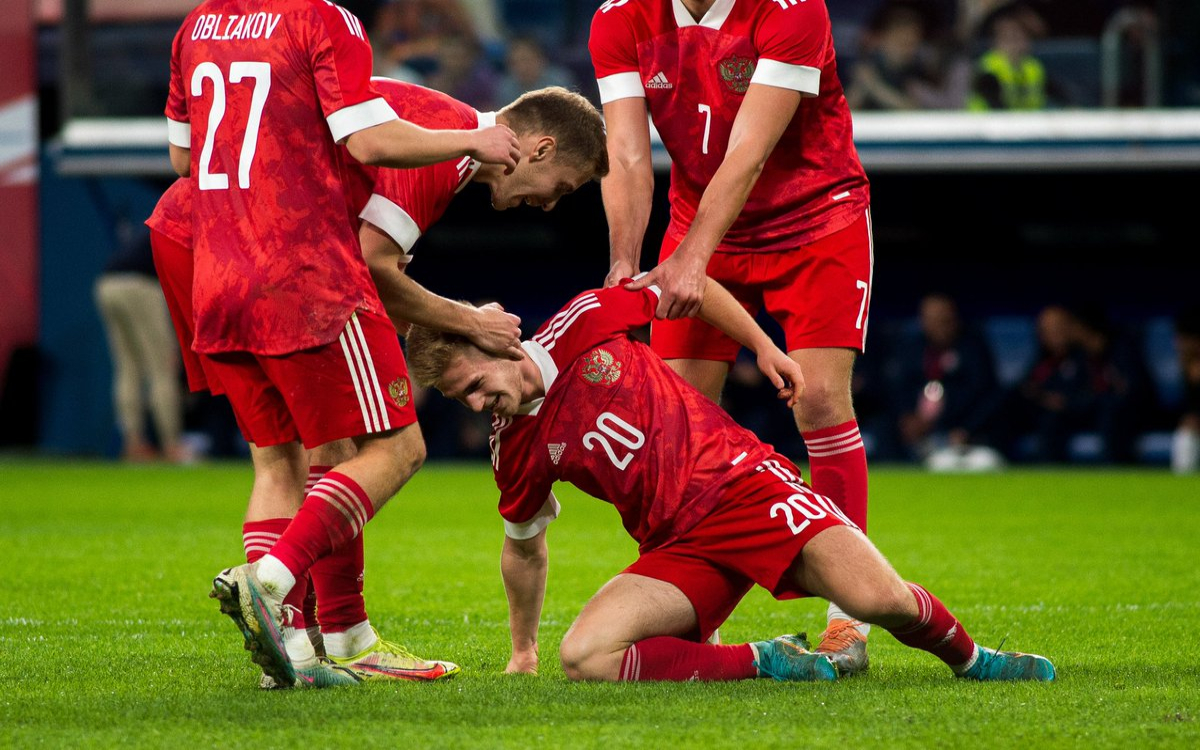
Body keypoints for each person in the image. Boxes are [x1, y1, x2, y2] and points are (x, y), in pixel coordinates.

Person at [156, 66, 606, 686]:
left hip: (193, 234)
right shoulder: (444, 141)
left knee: (287, 458)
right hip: (269, 249)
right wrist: (470, 322)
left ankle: (294, 650)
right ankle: (292, 598)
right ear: (540, 147)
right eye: (563, 185)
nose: (551, 203)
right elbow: (373, 268)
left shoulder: (430, 111)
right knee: (391, 445)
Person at [405, 279, 1056, 684]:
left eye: (472, 386)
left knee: (878, 601)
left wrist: (763, 346)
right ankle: (768, 660)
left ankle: (975, 662)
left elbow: (689, 285)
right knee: (586, 657)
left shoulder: (585, 320)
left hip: (748, 489)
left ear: (501, 350)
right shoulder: (512, 447)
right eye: (459, 399)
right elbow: (523, 547)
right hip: (677, 549)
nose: (474, 404)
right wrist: (523, 651)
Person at [589, 0, 874, 671]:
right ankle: (694, 612)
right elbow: (627, 152)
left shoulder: (792, 10)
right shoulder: (620, 18)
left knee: (821, 402)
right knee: (675, 425)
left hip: (815, 219)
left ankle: (849, 615)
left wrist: (691, 256)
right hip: (700, 220)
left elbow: (748, 151)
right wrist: (625, 263)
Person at [93, 217, 189, 464]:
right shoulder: (195, 219)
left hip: (107, 284)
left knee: (128, 368)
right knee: (162, 368)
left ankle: (133, 443)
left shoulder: (167, 217)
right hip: (140, 284)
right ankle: (172, 446)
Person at [891, 293, 1004, 464]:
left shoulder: (973, 349)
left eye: (943, 319)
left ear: (954, 318)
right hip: (921, 431)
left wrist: (966, 429)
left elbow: (988, 396)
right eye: (930, 319)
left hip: (964, 434)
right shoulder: (912, 349)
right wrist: (907, 417)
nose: (937, 325)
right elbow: (899, 388)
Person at [496, 35, 576, 109]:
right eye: (515, 62)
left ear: (541, 59)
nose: (522, 67)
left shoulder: (560, 81)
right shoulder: (505, 88)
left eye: (525, 60)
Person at [1170, 305, 1200, 473]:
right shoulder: (1187, 365)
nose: (1178, 344)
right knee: (1185, 436)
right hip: (1195, 428)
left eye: (1182, 339)